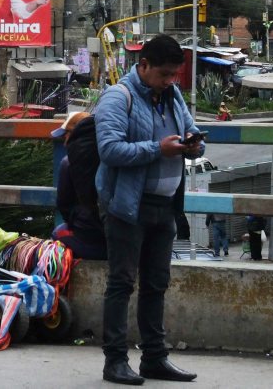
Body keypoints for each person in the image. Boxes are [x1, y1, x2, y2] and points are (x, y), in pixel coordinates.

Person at [95, 34, 201, 385]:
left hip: (165, 206)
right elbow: (110, 150)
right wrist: (158, 149)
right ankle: (115, 361)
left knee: (157, 284)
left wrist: (194, 145)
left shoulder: (172, 95)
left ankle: (155, 358)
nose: (170, 81)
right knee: (122, 283)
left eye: (174, 75)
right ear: (143, 65)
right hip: (127, 206)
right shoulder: (118, 97)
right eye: (164, 74)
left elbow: (190, 130)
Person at [50, 112, 107, 260]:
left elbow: (64, 204)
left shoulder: (67, 163)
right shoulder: (110, 157)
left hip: (89, 237)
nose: (64, 143)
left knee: (57, 232)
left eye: (67, 135)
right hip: (121, 238)